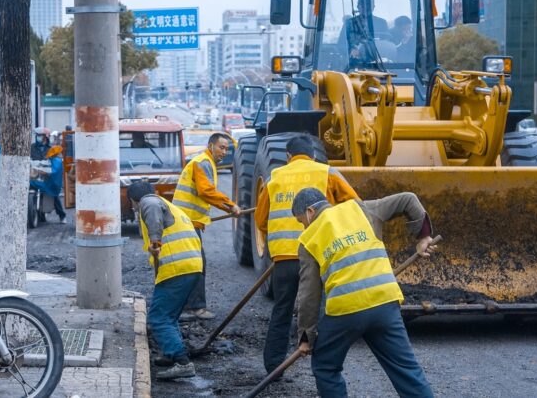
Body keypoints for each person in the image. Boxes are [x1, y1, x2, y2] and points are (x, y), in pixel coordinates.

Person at [292, 188, 438, 398]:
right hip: (384, 303)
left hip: (345, 311)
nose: (303, 226)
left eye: (301, 221)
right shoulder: (361, 208)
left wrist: (306, 336)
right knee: (407, 371)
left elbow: (308, 294)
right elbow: (408, 199)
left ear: (310, 211)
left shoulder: (308, 239)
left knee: (325, 366)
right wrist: (424, 237)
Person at [253, 135, 360, 375]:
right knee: (320, 312)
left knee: (282, 309)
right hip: (319, 256)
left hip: (284, 261)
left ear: (288, 157)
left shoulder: (274, 178)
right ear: (312, 154)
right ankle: (323, 365)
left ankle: (274, 367)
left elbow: (260, 220)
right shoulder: (327, 173)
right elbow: (355, 205)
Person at [128, 181, 203, 380]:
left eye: (132, 204)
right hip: (190, 266)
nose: (134, 208)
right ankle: (171, 354)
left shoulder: (149, 202)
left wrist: (155, 242)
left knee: (158, 318)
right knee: (169, 316)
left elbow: (150, 209)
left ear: (134, 200)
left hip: (176, 268)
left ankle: (182, 362)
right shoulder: (170, 206)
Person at [172, 132, 240, 320]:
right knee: (196, 265)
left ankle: (188, 306)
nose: (224, 152)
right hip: (186, 223)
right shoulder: (203, 162)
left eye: (227, 149)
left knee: (192, 265)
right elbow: (206, 191)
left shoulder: (204, 162)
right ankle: (194, 308)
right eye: (221, 147)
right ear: (211, 146)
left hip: (187, 222)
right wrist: (230, 205)